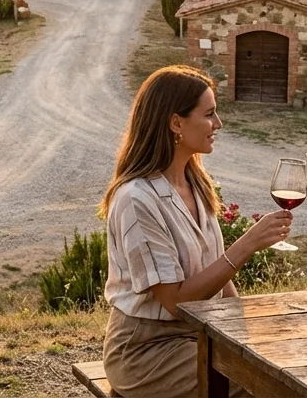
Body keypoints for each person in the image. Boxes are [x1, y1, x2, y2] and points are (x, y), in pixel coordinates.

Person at [100, 65, 293, 397]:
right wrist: (246, 245)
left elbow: (214, 268)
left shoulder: (193, 181)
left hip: (200, 334)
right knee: (262, 382)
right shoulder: (136, 199)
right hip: (148, 351)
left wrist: (247, 324)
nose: (218, 124)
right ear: (176, 123)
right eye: (209, 114)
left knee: (286, 361)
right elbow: (176, 302)